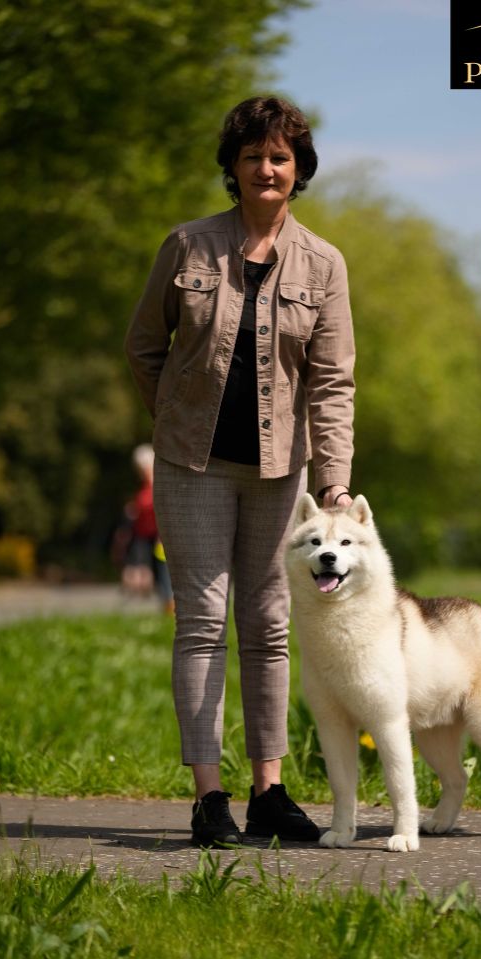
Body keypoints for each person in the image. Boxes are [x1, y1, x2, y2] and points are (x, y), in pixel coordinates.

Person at [124, 96, 355, 847]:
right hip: (192, 465)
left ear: (298, 171)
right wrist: (174, 417)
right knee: (200, 621)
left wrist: (334, 481)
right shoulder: (187, 246)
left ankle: (269, 792)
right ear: (232, 166)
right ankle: (208, 798)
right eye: (253, 155)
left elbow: (332, 382)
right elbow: (143, 345)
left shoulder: (325, 264)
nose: (267, 168)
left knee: (268, 624)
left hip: (279, 470)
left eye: (281, 157)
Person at [118, 444, 174, 614]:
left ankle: (170, 605)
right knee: (155, 573)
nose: (141, 471)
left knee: (163, 571)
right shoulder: (144, 486)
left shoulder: (159, 484)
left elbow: (162, 509)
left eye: (143, 467)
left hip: (159, 536)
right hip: (143, 536)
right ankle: (165, 605)